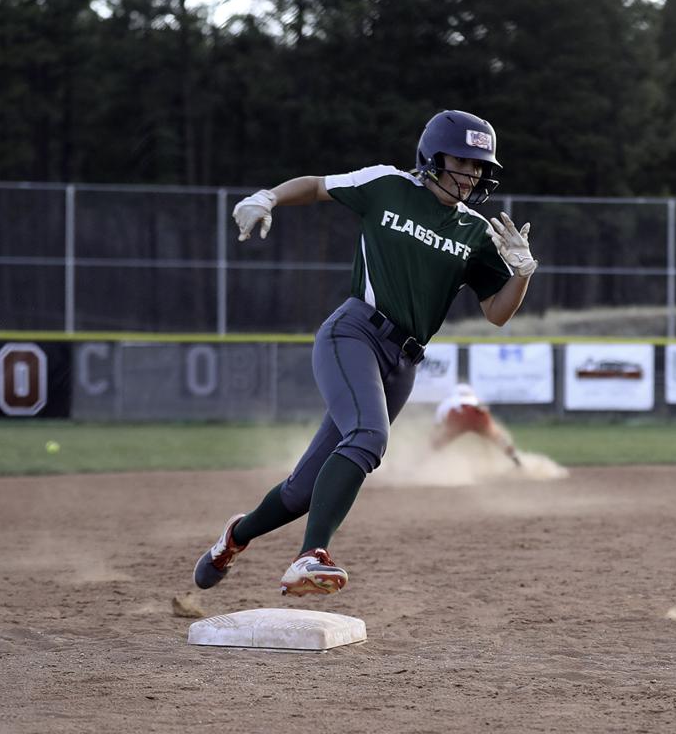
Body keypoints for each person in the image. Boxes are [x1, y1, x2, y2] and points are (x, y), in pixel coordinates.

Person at [193, 110, 538, 597]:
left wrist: (521, 273)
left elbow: (497, 313)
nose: (473, 174)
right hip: (354, 333)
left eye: (481, 167)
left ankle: (234, 538)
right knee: (368, 436)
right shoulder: (387, 184)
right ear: (433, 157)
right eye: (464, 161)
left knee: (302, 491)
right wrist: (267, 196)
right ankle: (310, 556)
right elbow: (316, 185)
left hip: (403, 365)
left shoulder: (477, 233)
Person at [432, 383, 523, 468]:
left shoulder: (449, 401)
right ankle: (515, 459)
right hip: (479, 414)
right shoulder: (475, 399)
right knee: (497, 438)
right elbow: (486, 416)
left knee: (438, 443)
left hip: (458, 416)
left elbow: (438, 424)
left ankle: (425, 462)